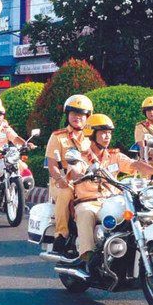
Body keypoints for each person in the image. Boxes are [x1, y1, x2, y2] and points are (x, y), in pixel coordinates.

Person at [66, 114, 153, 266]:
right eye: (103, 132)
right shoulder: (81, 157)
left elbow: (134, 165)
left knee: (139, 211)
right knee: (85, 213)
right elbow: (74, 171)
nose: (107, 136)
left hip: (112, 200)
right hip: (90, 201)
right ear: (92, 134)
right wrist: (82, 174)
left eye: (109, 133)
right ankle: (88, 258)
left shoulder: (115, 156)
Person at [45, 95, 94, 254]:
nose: (77, 117)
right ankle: (61, 235)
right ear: (67, 115)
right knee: (66, 193)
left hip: (85, 181)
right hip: (62, 181)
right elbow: (52, 165)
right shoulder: (58, 136)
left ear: (88, 117)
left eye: (81, 114)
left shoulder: (92, 138)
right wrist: (59, 179)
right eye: (73, 113)